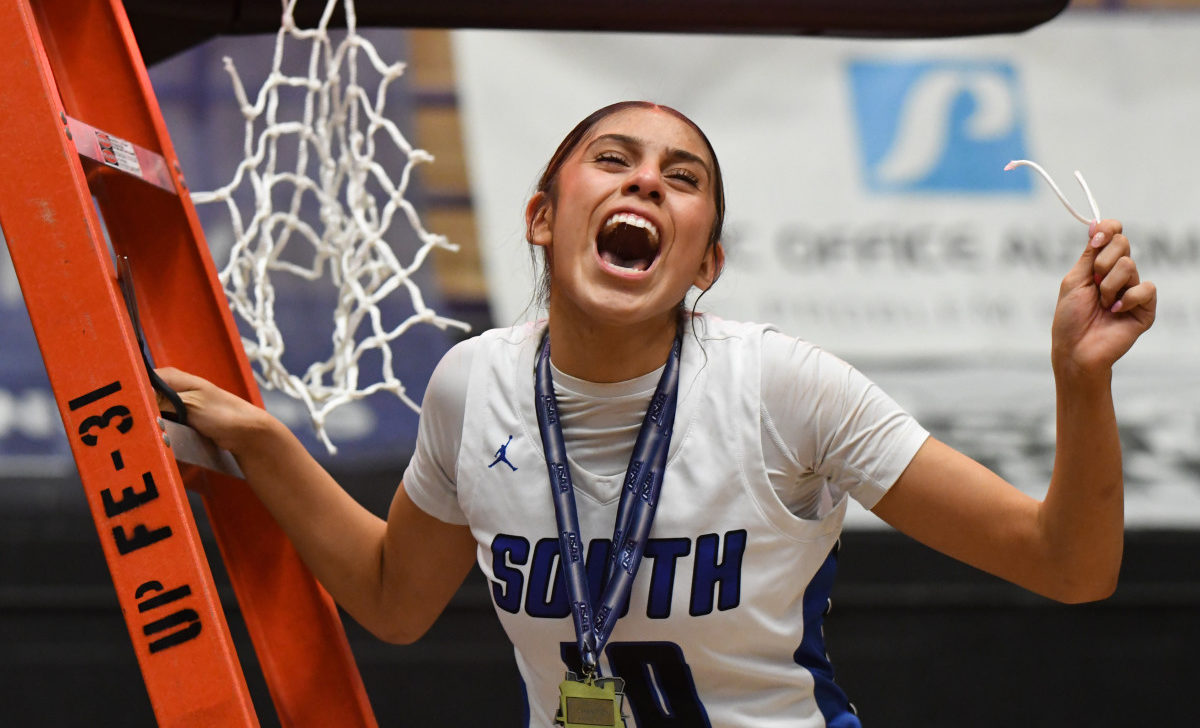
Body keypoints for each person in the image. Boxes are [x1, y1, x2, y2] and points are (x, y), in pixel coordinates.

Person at [158, 101, 1157, 727]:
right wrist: (260, 441)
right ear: (544, 218)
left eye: (684, 179)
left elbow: (1068, 566)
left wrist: (1081, 379)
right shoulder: (471, 383)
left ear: (703, 263)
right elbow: (391, 595)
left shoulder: (783, 385)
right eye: (616, 159)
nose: (648, 179)